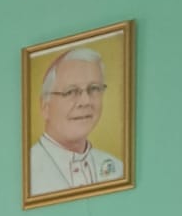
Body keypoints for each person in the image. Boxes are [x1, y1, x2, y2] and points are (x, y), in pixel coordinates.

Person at [29, 47, 124, 196]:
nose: (85, 101)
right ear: (45, 107)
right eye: (71, 92)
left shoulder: (117, 169)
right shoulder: (26, 170)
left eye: (94, 88)